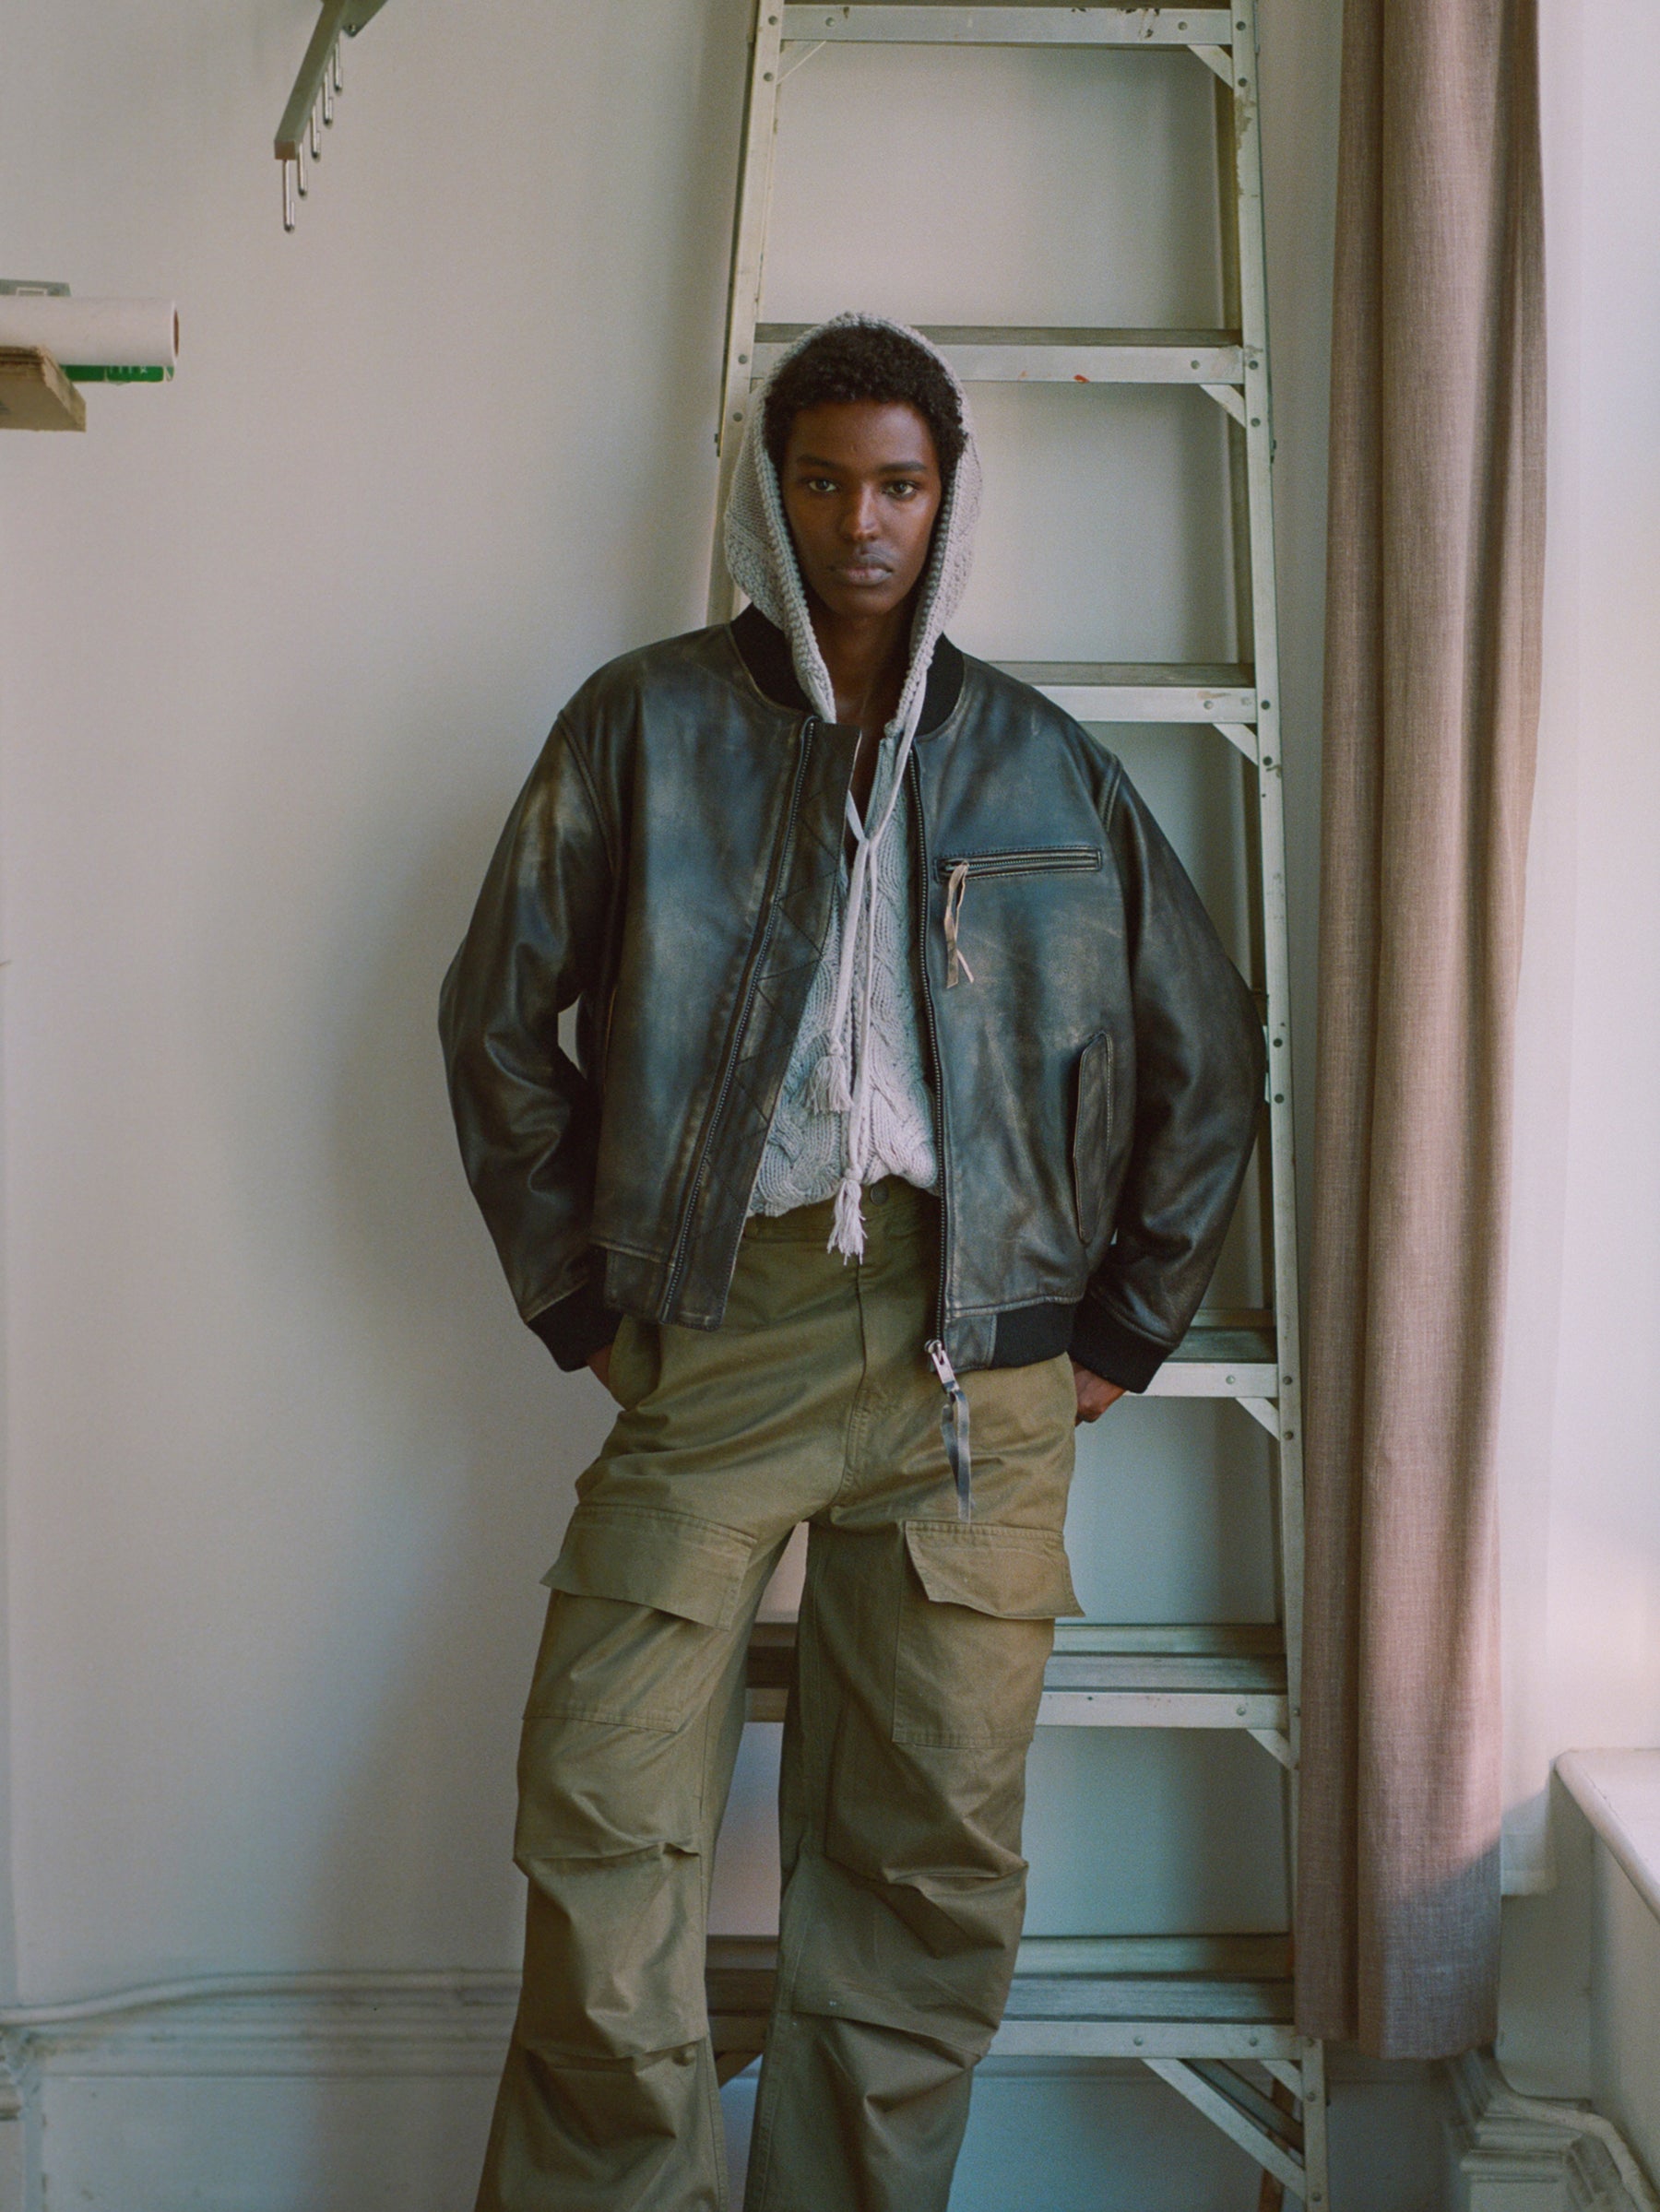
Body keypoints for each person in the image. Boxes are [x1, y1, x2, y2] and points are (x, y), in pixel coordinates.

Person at [440, 313, 1264, 2212]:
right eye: (826, 483)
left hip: (982, 1361)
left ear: (946, 500)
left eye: (899, 485)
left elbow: (1203, 1061)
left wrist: (1122, 1332)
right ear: (772, 491)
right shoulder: (641, 726)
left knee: (924, 1862)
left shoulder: (1045, 762)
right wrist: (582, 1301)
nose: (862, 522)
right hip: (725, 1325)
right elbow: (496, 1024)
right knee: (598, 1811)